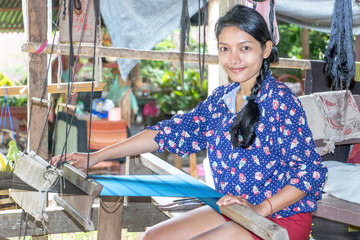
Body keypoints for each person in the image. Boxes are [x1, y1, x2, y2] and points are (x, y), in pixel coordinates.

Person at [52, 5, 327, 240]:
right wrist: (96, 157)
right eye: (225, 49)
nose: (234, 59)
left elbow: (309, 173)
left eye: (245, 48)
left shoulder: (280, 102)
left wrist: (262, 209)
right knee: (153, 237)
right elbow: (165, 134)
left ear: (266, 49)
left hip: (277, 215)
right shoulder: (221, 101)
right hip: (236, 209)